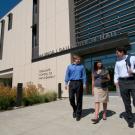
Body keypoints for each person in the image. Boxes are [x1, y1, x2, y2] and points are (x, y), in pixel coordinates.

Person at [114, 47, 135, 128]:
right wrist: (115, 81)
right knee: (126, 103)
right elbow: (116, 73)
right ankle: (130, 120)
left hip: (132, 80)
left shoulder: (132, 57)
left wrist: (133, 71)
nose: (116, 54)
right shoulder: (117, 62)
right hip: (122, 82)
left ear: (122, 52)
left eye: (117, 53)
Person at [65, 55, 86, 121]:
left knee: (79, 99)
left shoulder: (82, 67)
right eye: (78, 59)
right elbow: (67, 75)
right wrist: (66, 83)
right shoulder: (69, 66)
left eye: (79, 59)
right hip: (71, 83)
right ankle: (75, 109)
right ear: (74, 60)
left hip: (79, 83)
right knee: (71, 98)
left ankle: (78, 114)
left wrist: (84, 83)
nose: (79, 60)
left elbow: (84, 75)